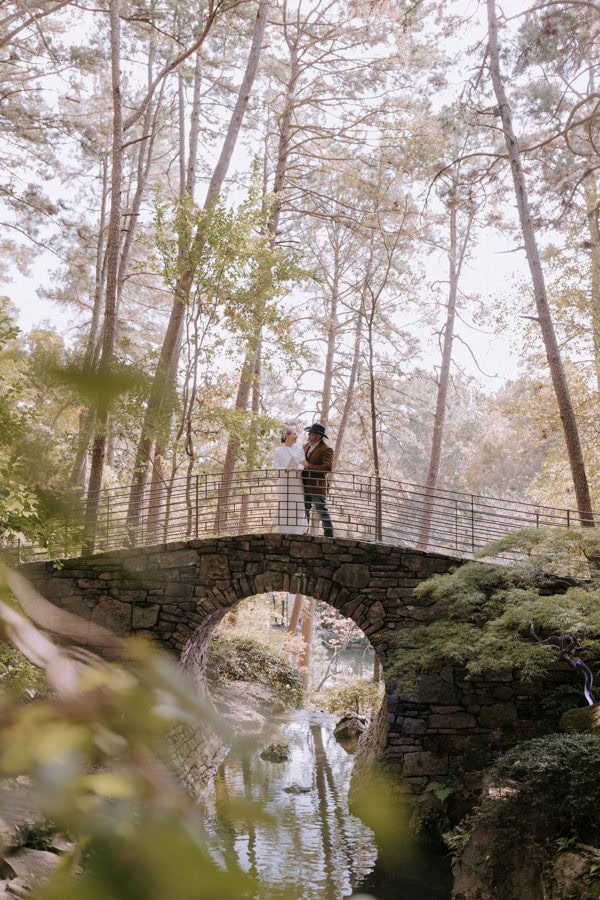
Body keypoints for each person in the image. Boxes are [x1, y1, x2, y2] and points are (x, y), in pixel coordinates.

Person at [302, 422, 334, 537]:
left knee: (322, 512)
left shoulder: (326, 449)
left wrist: (308, 465)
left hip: (317, 487)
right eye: (309, 432)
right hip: (304, 485)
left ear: (319, 436)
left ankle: (329, 537)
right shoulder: (305, 446)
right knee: (304, 511)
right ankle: (303, 533)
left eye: (312, 433)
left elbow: (327, 467)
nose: (309, 434)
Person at [271, 426, 306, 534]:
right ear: (287, 436)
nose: (296, 436)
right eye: (294, 434)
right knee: (284, 505)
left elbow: (303, 463)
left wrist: (297, 469)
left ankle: (298, 531)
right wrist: (285, 469)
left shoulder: (299, 449)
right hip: (284, 482)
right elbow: (276, 467)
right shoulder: (278, 450)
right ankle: (283, 530)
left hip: (297, 481)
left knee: (298, 505)